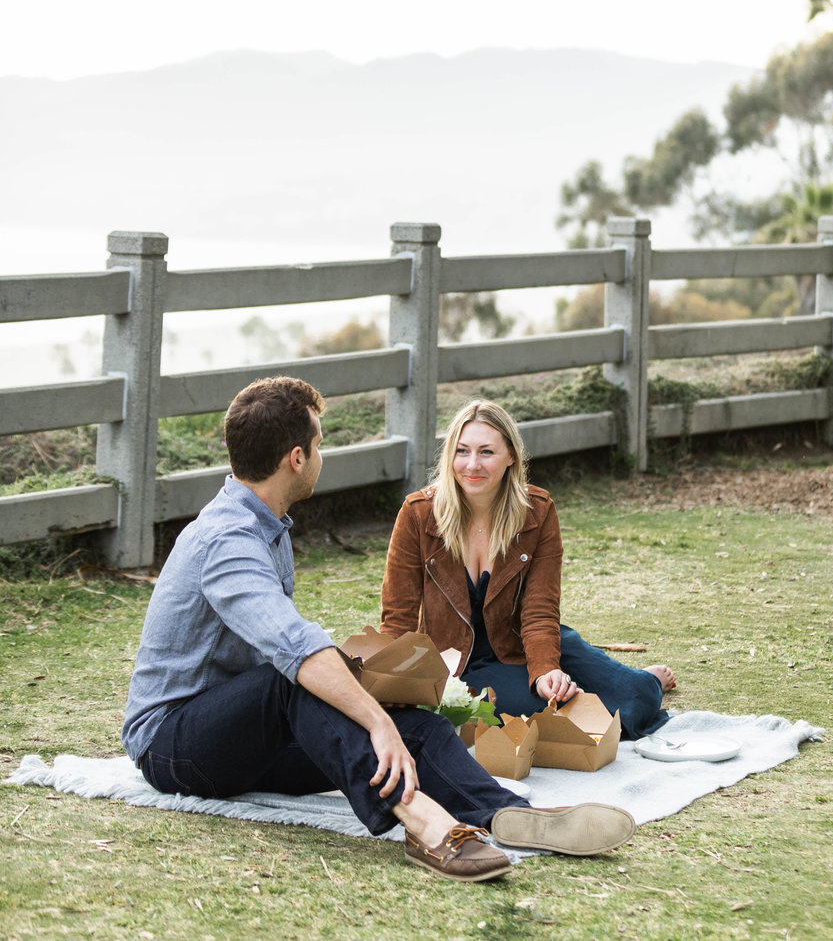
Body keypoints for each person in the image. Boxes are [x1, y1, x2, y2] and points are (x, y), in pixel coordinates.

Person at [122, 377, 635, 884]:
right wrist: (375, 723)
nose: (322, 456)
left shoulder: (266, 525)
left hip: (251, 739)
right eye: (319, 444)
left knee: (418, 724)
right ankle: (424, 824)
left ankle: (505, 814)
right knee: (297, 681)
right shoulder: (225, 539)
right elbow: (293, 650)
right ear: (296, 458)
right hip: (175, 744)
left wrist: (390, 714)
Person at [380, 399, 676, 741]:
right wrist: (390, 683)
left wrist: (546, 670)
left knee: (633, 696)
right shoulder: (418, 514)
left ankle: (647, 681)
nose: (472, 465)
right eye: (462, 451)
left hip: (525, 640)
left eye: (486, 452)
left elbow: (539, 611)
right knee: (531, 716)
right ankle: (579, 692)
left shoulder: (537, 512)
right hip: (455, 660)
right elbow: (397, 618)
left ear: (510, 458)